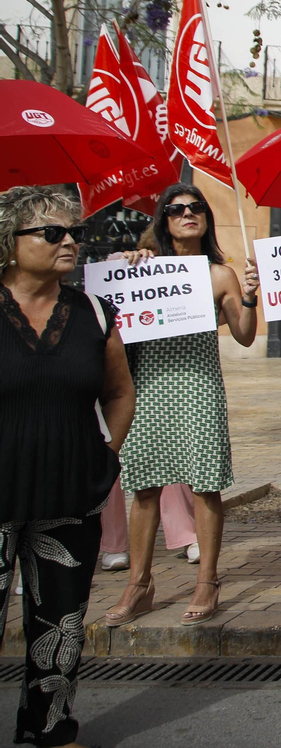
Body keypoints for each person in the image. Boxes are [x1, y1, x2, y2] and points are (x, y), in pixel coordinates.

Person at [1, 186, 136, 748]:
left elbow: (119, 392)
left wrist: (107, 455)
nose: (70, 242)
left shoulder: (93, 312)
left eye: (75, 233)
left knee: (61, 625)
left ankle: (49, 726)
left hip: (70, 491)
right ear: (9, 242)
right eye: (52, 233)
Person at [107, 182, 259, 628]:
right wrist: (124, 266)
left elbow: (245, 335)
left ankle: (207, 582)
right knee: (145, 487)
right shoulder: (143, 268)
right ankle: (139, 585)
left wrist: (250, 295)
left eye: (196, 208)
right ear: (163, 220)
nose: (188, 214)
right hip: (149, 386)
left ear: (206, 218)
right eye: (176, 210)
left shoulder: (220, 274)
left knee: (205, 485)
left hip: (198, 386)